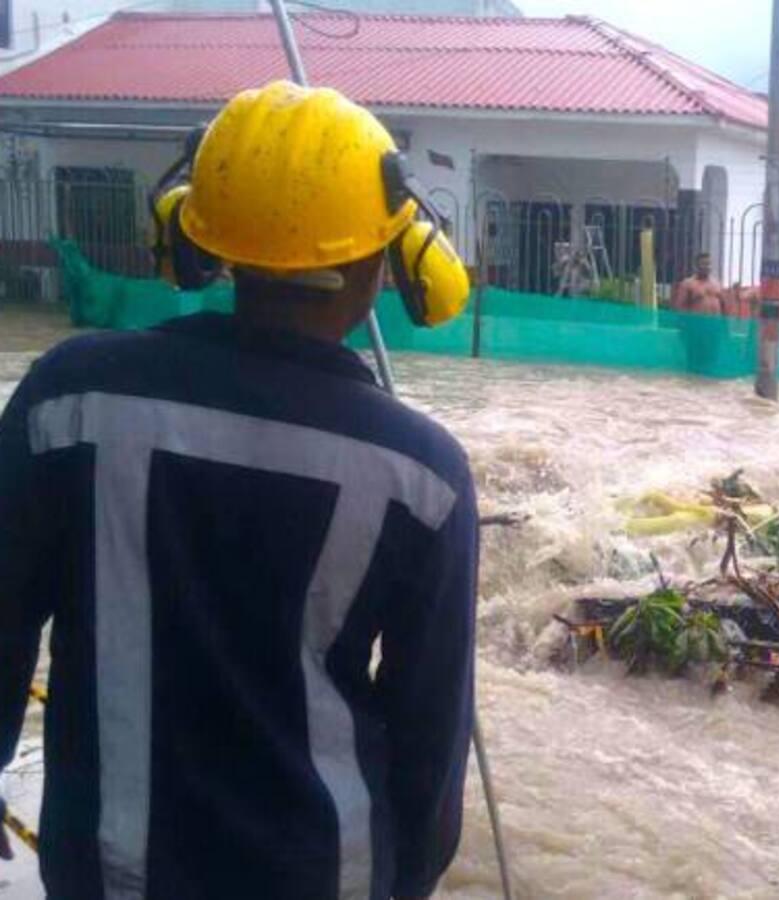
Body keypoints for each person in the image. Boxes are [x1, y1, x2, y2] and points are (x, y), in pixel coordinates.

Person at [0, 82, 477, 899]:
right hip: (325, 875)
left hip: (110, 871)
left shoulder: (68, 402)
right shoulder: (422, 474)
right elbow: (429, 737)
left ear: (194, 235)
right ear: (384, 263)